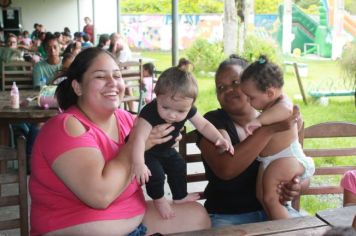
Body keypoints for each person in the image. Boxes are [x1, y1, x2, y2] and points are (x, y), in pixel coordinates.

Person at [29, 47, 211, 235]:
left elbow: (159, 151)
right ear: (78, 87)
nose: (113, 83)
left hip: (136, 222)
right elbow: (100, 195)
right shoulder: (65, 127)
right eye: (100, 77)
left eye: (117, 76)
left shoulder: (127, 119)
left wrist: (164, 142)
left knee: (196, 215)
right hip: (74, 226)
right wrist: (138, 144)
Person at [197, 55, 309, 228]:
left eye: (235, 83)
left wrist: (297, 185)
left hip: (275, 211)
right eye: (220, 87)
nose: (228, 90)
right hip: (228, 216)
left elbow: (297, 163)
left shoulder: (277, 115)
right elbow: (226, 169)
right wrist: (268, 129)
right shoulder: (212, 122)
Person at [129, 66, 234, 220]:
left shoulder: (187, 108)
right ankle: (159, 199)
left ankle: (179, 196)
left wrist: (218, 138)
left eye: (180, 112)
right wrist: (138, 163)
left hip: (165, 149)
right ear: (157, 97)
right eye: (165, 107)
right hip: (146, 152)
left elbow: (203, 125)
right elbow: (138, 139)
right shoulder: (149, 113)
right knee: (155, 174)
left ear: (190, 106)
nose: (172, 115)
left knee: (179, 165)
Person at [239, 55, 315, 220]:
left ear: (269, 92)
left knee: (271, 198)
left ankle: (286, 231)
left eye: (251, 97)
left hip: (286, 157)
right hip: (271, 160)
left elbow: (285, 112)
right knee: (261, 196)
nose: (248, 101)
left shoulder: (283, 103)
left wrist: (258, 121)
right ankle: (276, 224)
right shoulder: (271, 105)